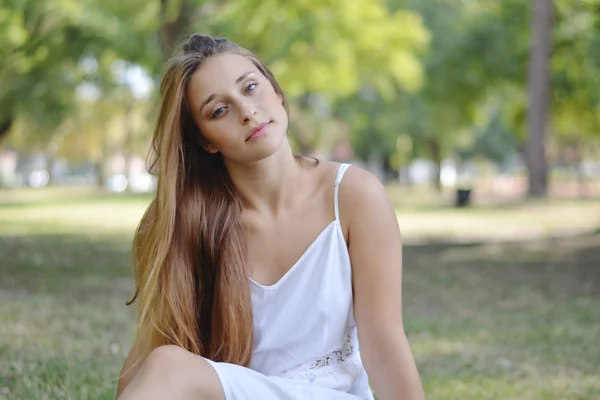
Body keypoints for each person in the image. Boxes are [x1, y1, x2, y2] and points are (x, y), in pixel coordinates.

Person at [115, 34, 425, 400]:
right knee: (166, 362)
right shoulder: (181, 222)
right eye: (219, 110)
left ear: (276, 91)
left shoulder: (354, 195)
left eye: (250, 87)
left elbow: (384, 347)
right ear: (205, 141)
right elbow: (148, 363)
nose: (247, 111)